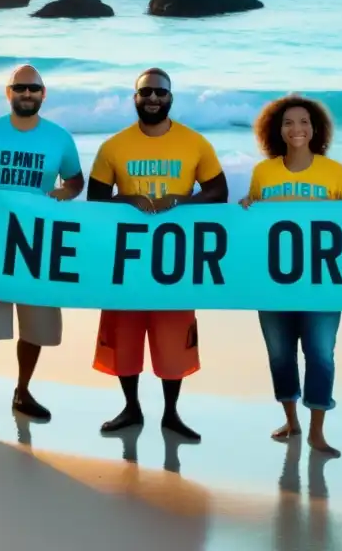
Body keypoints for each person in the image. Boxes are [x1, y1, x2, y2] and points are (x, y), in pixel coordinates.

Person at [87, 68, 229, 442]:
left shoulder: (194, 143)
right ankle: (131, 408)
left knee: (172, 342)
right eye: (145, 92)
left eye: (160, 93)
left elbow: (219, 192)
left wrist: (184, 200)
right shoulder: (113, 147)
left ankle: (171, 414)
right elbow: (95, 202)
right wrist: (126, 199)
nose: (153, 98)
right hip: (127, 260)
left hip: (174, 262)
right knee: (125, 338)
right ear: (135, 98)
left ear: (171, 98)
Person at [0, 64, 84, 425]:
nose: (27, 94)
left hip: (37, 248)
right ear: (8, 93)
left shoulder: (59, 137)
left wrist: (66, 192)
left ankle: (22, 391)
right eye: (20, 87)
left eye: (34, 89)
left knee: (35, 326)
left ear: (43, 94)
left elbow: (75, 179)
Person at [240, 94, 342, 457]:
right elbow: (255, 227)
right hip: (272, 283)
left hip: (321, 282)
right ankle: (291, 420)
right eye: (288, 122)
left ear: (315, 128)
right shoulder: (263, 172)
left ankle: (317, 432)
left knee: (321, 353)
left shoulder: (333, 171)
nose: (296, 129)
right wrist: (245, 208)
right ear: (277, 130)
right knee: (280, 354)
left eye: (304, 122)